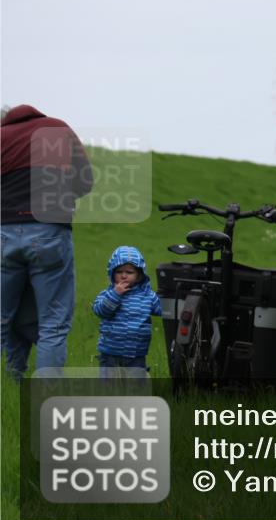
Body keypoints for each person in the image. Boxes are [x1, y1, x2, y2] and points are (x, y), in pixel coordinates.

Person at [1, 105, 92, 379]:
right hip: (49, 231)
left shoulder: (2, 136)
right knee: (53, 323)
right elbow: (85, 181)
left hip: (3, 233)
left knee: (3, 317)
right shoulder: (57, 128)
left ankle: (7, 386)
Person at [92, 246, 161, 372]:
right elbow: (100, 311)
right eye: (119, 272)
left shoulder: (148, 295)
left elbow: (163, 310)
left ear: (139, 275)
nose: (124, 276)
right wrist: (115, 295)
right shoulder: (107, 293)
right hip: (110, 352)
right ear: (112, 273)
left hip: (137, 353)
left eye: (129, 272)